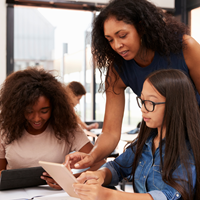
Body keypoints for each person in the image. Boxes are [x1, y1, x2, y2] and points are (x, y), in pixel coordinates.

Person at [64, 0, 200, 171]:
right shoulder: (117, 70)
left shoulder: (186, 47)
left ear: (141, 28)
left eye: (122, 35)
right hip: (161, 142)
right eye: (110, 39)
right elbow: (110, 132)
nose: (116, 45)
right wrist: (92, 156)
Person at [72, 69, 200, 200]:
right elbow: (117, 167)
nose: (143, 108)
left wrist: (109, 195)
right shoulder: (145, 142)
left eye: (151, 103)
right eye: (142, 100)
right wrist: (101, 175)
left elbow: (169, 195)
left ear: (174, 105)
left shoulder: (188, 150)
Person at [0, 67, 105, 189]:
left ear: (54, 107)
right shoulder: (5, 130)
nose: (37, 118)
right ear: (18, 108)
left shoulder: (68, 128)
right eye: (29, 111)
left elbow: (100, 164)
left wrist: (70, 180)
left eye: (44, 111)